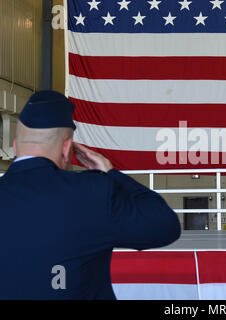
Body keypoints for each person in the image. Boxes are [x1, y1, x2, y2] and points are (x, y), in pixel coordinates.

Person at [0, 90, 181, 299]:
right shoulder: (92, 191)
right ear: (66, 148)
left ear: (14, 145)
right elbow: (164, 225)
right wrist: (111, 174)